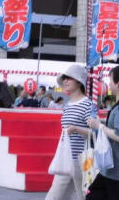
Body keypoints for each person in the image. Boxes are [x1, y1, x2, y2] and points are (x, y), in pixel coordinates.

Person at [86, 64, 119, 200]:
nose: (108, 84)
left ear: (118, 83)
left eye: (110, 80)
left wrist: (100, 126)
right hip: (111, 170)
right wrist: (100, 124)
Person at [45, 64, 93, 200]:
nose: (65, 81)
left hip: (84, 159)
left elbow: (95, 133)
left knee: (83, 196)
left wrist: (77, 129)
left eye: (69, 78)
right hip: (65, 158)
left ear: (79, 81)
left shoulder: (88, 105)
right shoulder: (67, 105)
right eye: (64, 78)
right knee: (54, 196)